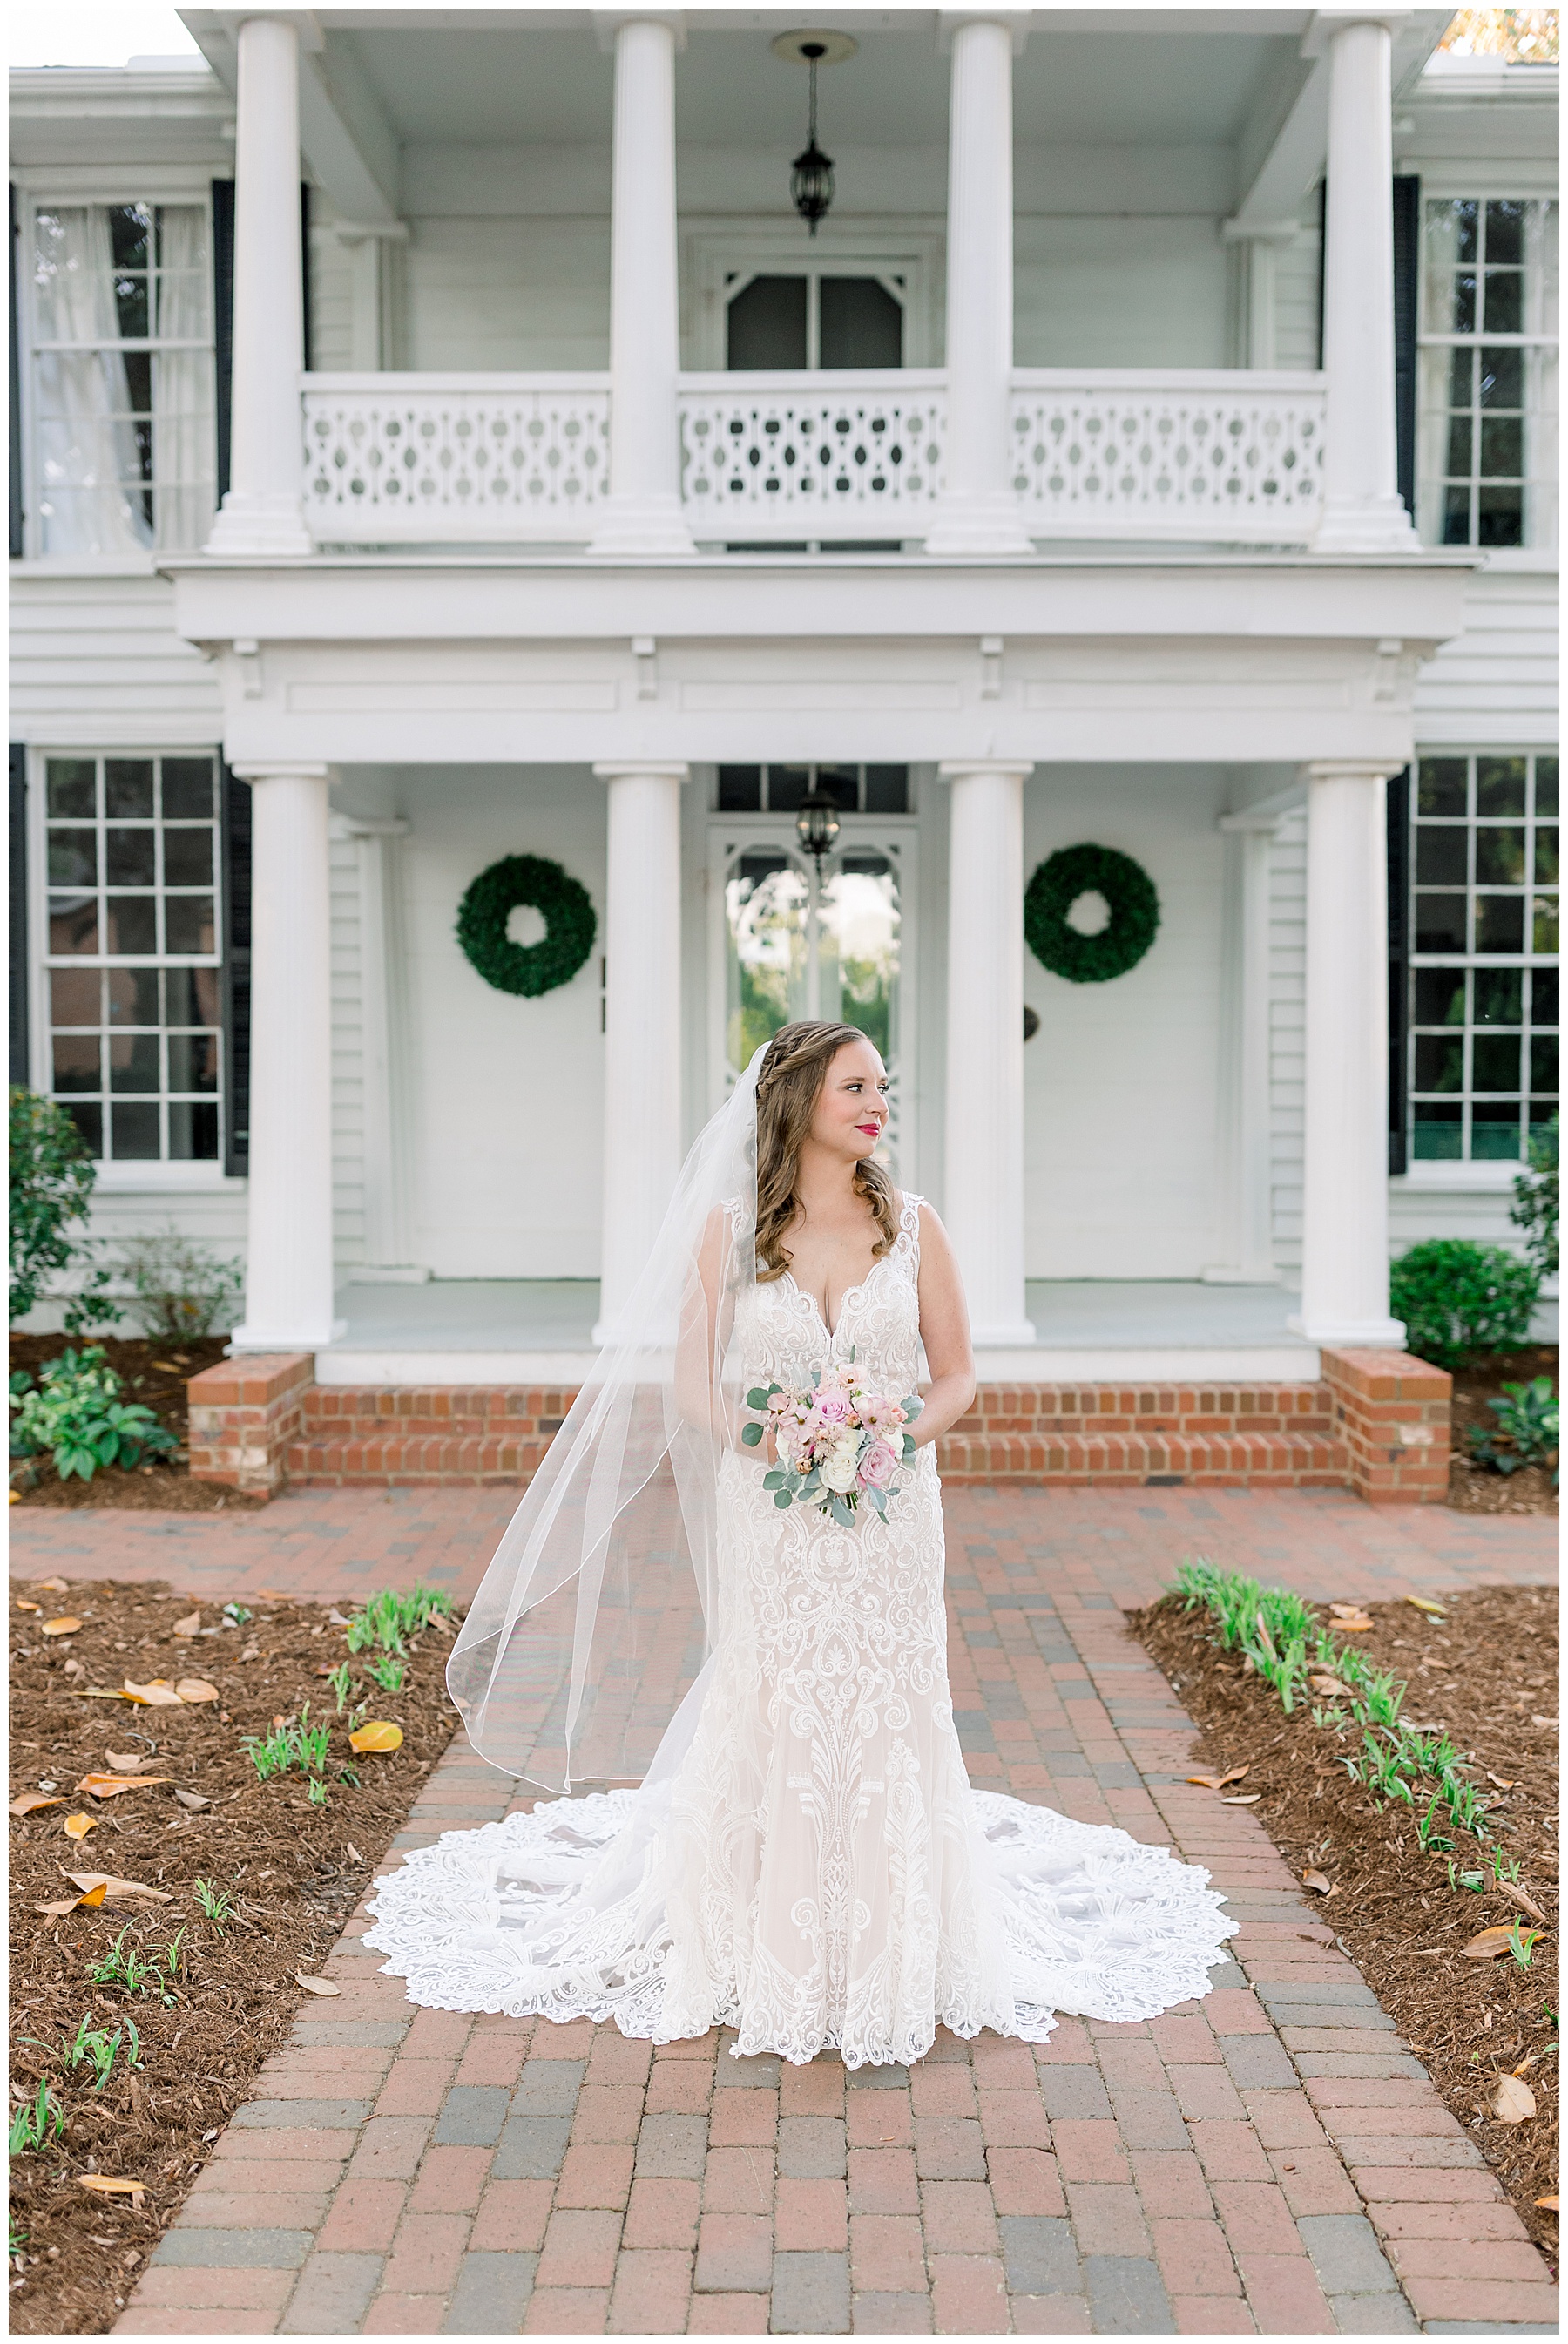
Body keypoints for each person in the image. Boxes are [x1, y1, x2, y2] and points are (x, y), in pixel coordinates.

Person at [365, 1020, 1235, 2067]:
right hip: (770, 1508)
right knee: (776, 1689)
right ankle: (759, 1940)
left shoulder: (915, 1227)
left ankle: (893, 1946)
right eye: (855, 1087)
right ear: (797, 1104)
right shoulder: (730, 1234)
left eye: (883, 1088)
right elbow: (692, 1384)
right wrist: (769, 1434)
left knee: (887, 1694)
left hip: (893, 1512)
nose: (878, 1105)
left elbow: (956, 1376)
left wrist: (886, 1435)